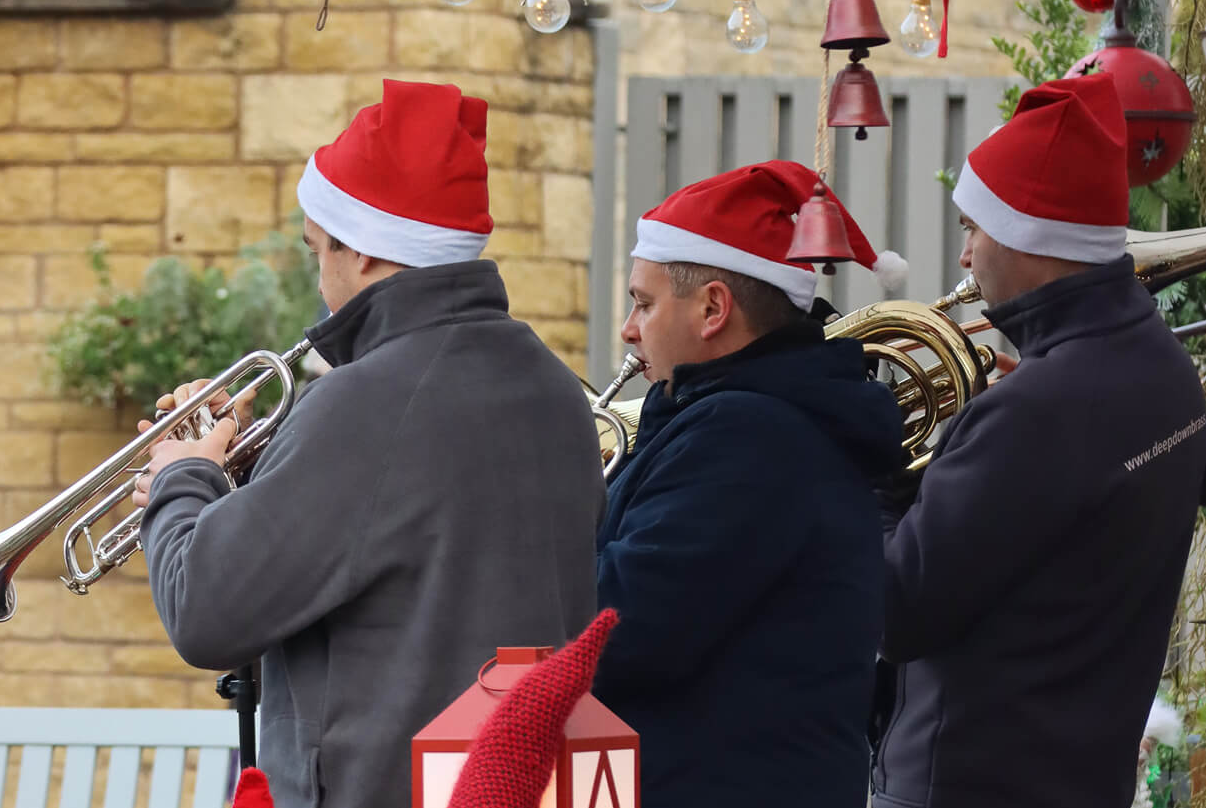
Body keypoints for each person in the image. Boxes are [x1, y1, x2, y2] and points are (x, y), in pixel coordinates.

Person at [130, 79, 608, 808]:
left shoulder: (367, 399)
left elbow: (207, 612)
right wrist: (256, 470)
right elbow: (407, 545)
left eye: (317, 251)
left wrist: (182, 477)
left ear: (361, 251)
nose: (320, 279)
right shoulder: (549, 386)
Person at [872, 76, 1206, 808]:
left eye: (972, 229)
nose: (964, 257)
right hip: (1083, 777)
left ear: (1026, 236)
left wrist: (875, 473)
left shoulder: (1037, 411)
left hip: (966, 780)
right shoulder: (1164, 371)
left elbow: (894, 610)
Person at [592, 160, 908, 808]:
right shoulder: (747, 419)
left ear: (712, 307)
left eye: (644, 303)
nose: (628, 328)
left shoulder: (744, 435)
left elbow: (615, 631)